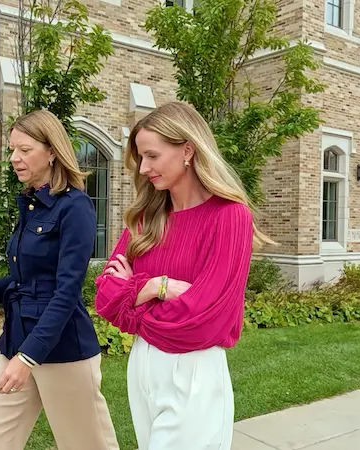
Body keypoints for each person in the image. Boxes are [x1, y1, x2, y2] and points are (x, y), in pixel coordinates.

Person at [94, 101, 273, 450]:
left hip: (192, 373)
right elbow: (104, 297)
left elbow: (206, 318)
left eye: (152, 155)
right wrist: (154, 286)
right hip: (142, 367)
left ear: (187, 150)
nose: (144, 168)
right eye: (141, 158)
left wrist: (133, 301)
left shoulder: (229, 216)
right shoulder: (147, 219)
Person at [0, 109, 119, 450]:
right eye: (12, 150)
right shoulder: (31, 204)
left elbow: (66, 292)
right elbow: (31, 276)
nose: (14, 158)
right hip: (17, 342)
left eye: (25, 150)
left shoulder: (75, 208)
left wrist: (28, 358)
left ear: (52, 152)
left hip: (63, 351)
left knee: (85, 445)